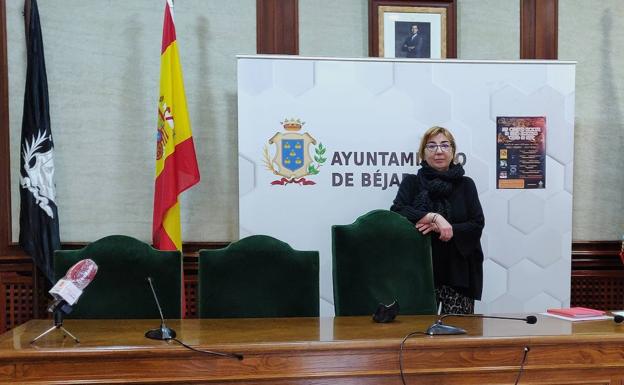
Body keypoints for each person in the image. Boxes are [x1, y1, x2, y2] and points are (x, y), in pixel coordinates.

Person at [390, 126, 484, 314]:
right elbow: (397, 211)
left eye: (444, 145)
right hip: (420, 272)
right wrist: (435, 217)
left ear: (453, 151)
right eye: (431, 146)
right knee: (416, 334)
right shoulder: (412, 182)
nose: (438, 151)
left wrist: (441, 228)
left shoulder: (466, 184)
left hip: (458, 272)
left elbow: (476, 223)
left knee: (458, 336)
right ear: (423, 153)